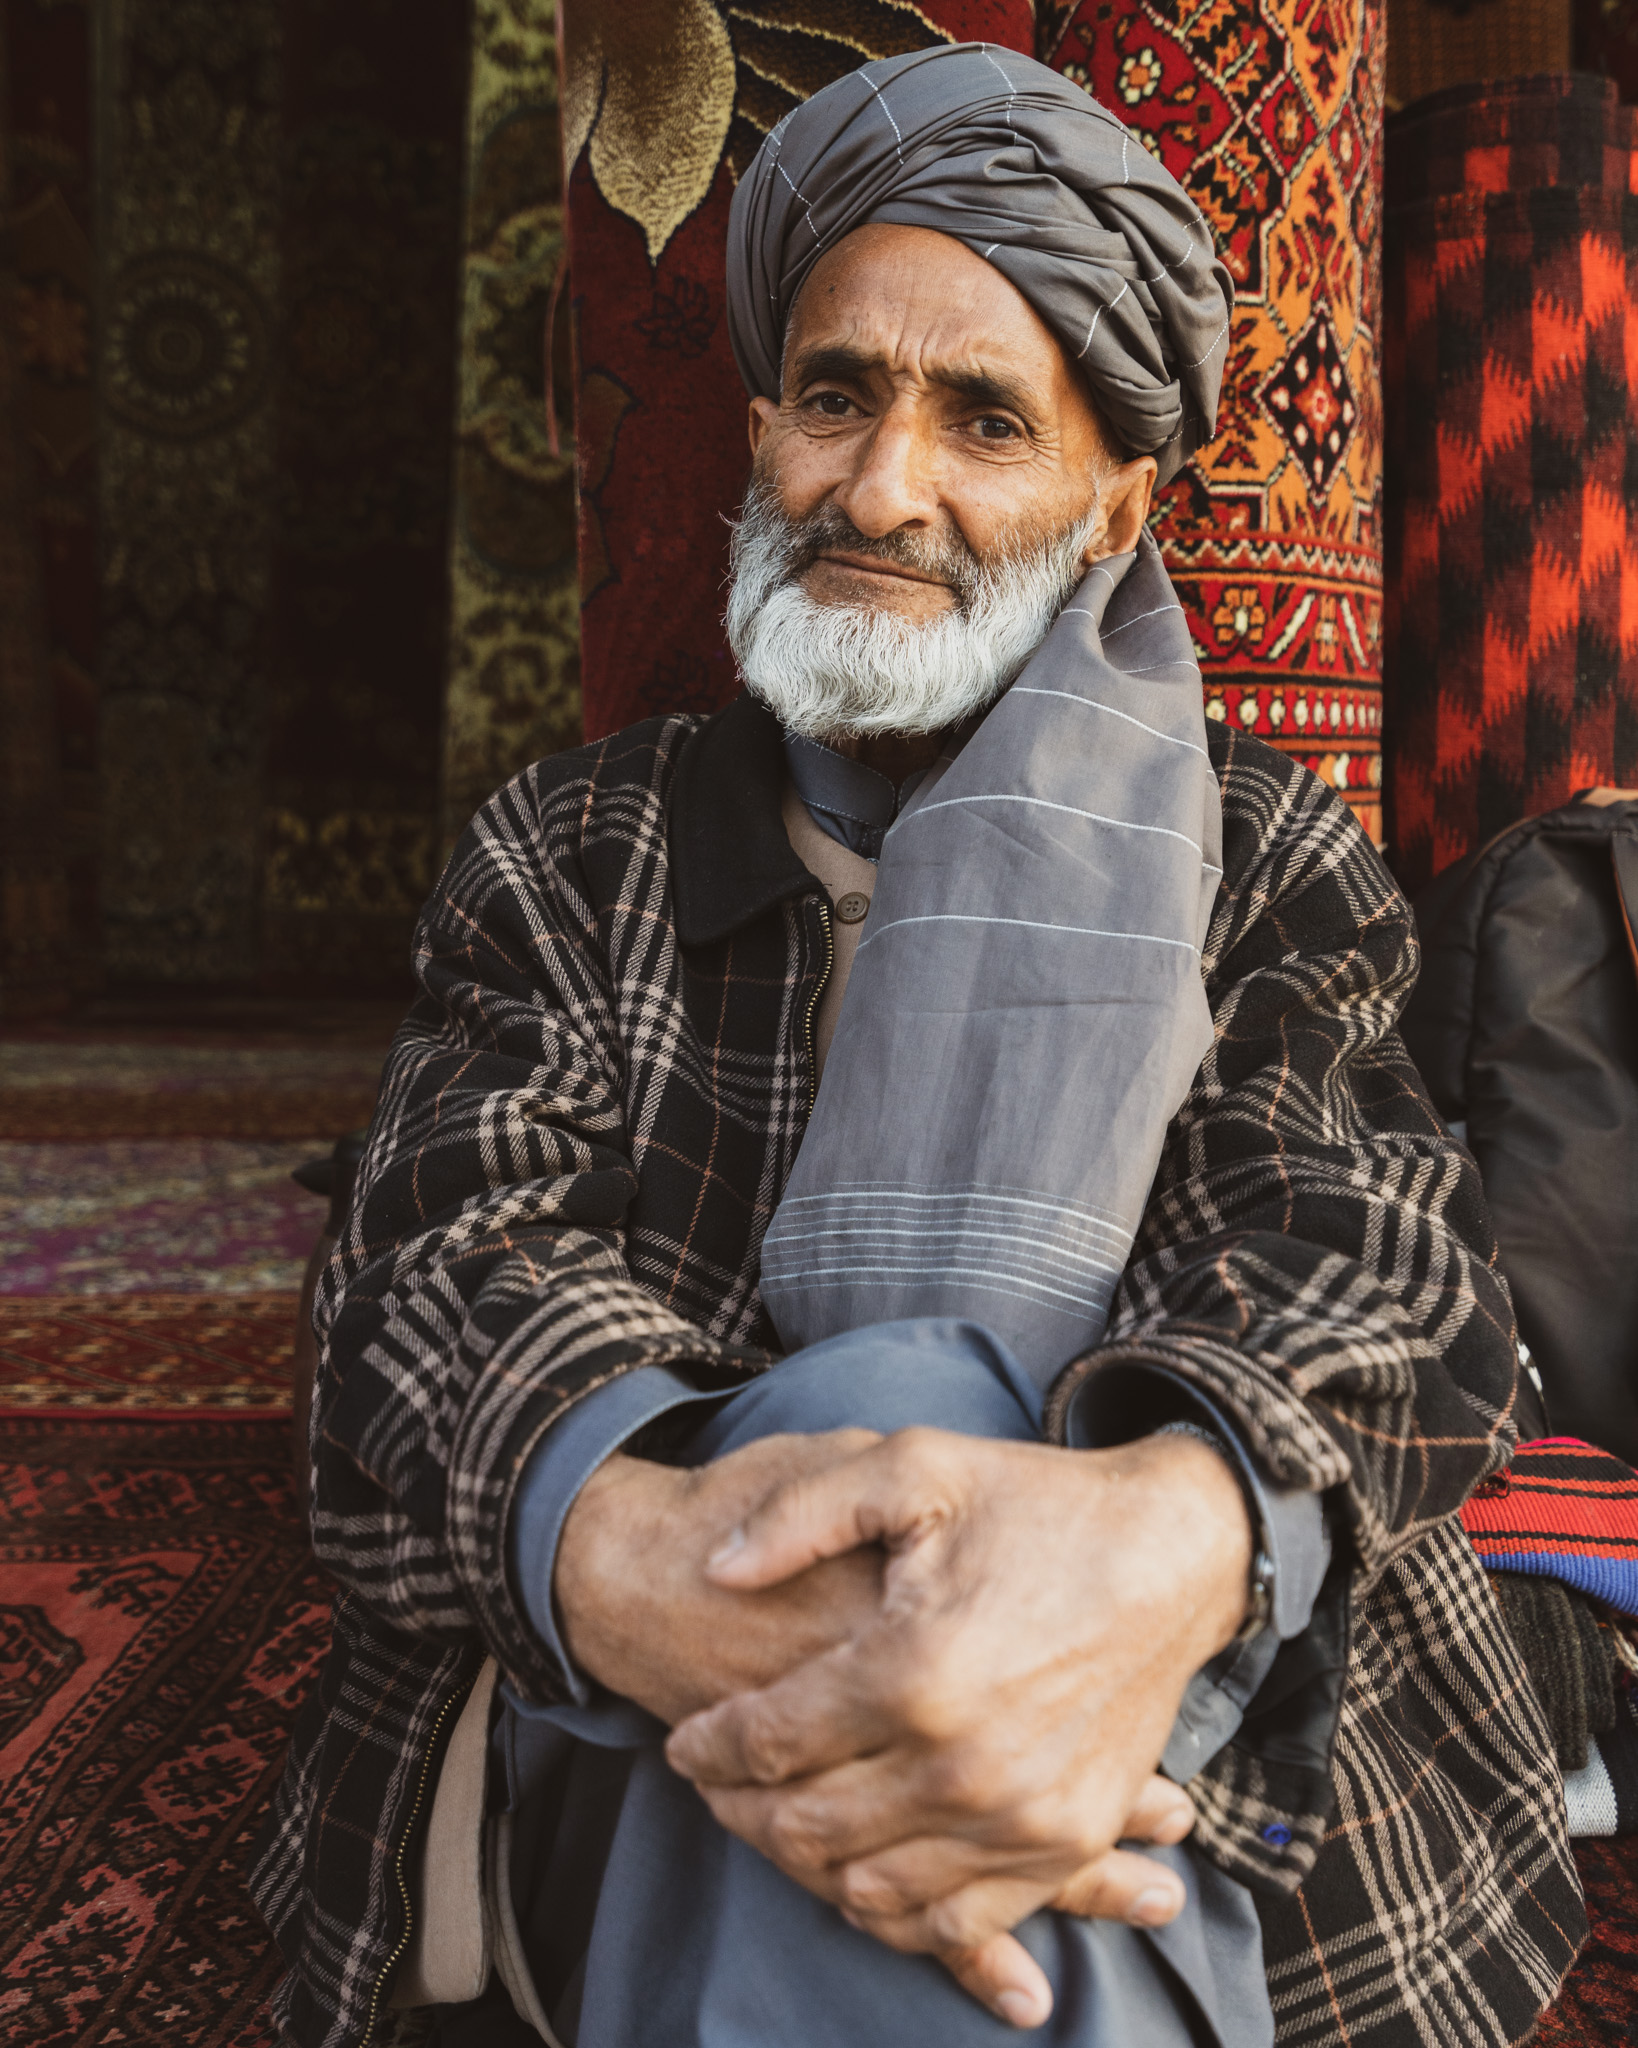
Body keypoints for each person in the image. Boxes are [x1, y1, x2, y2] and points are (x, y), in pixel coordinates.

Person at [251, 44, 1583, 2048]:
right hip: (651, 1692)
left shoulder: (1263, 851)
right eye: (837, 396)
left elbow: (1379, 1261)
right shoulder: (573, 846)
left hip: (1159, 1690)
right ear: (764, 427)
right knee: (863, 1418)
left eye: (984, 419)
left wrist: (1159, 1545)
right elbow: (425, 1284)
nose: (882, 490)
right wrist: (637, 1547)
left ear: (1116, 501)